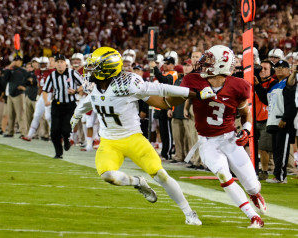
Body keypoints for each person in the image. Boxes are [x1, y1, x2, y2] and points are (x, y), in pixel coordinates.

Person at [70, 47, 201, 225]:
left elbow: (160, 88)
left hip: (133, 139)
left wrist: (193, 94)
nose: (90, 69)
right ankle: (138, 182)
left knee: (161, 175)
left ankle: (189, 212)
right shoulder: (93, 85)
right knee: (108, 175)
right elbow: (90, 100)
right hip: (109, 142)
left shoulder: (127, 83)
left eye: (95, 66)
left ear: (107, 68)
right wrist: (76, 115)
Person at [163, 45, 267, 228]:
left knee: (253, 185)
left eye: (209, 60)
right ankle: (253, 216)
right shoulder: (192, 79)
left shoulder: (238, 85)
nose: (203, 62)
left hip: (229, 140)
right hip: (207, 142)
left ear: (221, 64)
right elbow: (172, 100)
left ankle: (253, 193)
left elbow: (245, 114)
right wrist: (193, 94)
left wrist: (247, 130)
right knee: (223, 175)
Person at [255, 60, 296, 184]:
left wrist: (285, 119)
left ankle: (281, 177)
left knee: (282, 151)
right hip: (273, 121)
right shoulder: (275, 85)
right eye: (277, 67)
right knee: (277, 150)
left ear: (288, 70)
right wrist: (257, 85)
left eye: (282, 67)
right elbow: (267, 100)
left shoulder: (288, 82)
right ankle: (277, 175)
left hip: (282, 121)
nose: (279, 69)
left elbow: (292, 104)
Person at [42, 54, 83, 159]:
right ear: (55, 64)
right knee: (54, 132)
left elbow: (84, 84)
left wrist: (75, 91)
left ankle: (66, 139)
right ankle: (58, 153)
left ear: (65, 63)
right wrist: (46, 100)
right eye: (58, 62)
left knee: (66, 129)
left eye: (61, 62)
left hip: (70, 105)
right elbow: (45, 90)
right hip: (57, 105)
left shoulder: (72, 73)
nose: (59, 64)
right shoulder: (52, 76)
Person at [22, 57, 55, 141]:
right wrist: (38, 93)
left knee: (48, 116)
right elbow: (39, 84)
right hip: (42, 94)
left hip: (51, 94)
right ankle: (29, 135)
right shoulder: (37, 71)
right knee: (36, 115)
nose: (43, 65)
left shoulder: (52, 71)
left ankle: (54, 135)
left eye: (44, 63)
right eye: (41, 64)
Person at [255, 60, 275, 180]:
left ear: (271, 71)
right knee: (254, 147)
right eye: (260, 68)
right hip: (254, 118)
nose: (262, 70)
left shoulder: (274, 83)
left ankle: (264, 171)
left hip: (267, 118)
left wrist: (257, 85)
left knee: (263, 148)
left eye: (265, 69)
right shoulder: (253, 82)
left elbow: (266, 98)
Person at [3, 55, 28, 137]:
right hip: (11, 94)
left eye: (18, 60)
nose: (16, 62)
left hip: (19, 94)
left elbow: (29, 80)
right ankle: (10, 132)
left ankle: (23, 133)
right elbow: (4, 79)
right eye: (15, 60)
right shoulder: (10, 70)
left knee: (20, 115)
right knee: (11, 114)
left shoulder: (23, 71)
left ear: (20, 62)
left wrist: (25, 87)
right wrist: (9, 66)